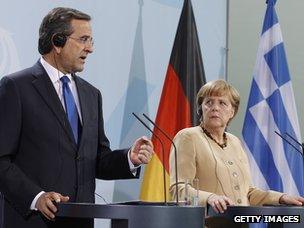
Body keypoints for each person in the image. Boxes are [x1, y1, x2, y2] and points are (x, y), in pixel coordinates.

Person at [0, 7, 153, 228]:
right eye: (83, 39)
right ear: (57, 41)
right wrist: (36, 197)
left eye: (91, 40)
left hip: (80, 220)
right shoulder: (16, 87)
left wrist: (129, 158)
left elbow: (95, 159)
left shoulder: (92, 94)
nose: (90, 48)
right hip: (32, 221)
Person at [169, 79, 304, 214]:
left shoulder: (234, 142)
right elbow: (179, 189)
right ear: (201, 108)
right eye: (209, 102)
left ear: (232, 112)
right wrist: (210, 197)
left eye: (222, 103)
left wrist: (281, 198)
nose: (215, 107)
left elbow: (248, 192)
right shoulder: (188, 137)